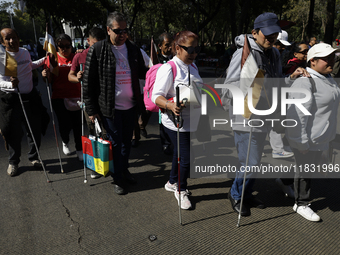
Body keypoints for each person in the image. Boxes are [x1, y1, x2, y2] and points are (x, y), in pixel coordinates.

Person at [224, 13, 308, 217]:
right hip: (246, 117)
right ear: (255, 33)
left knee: (255, 161)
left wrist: (290, 77)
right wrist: (250, 92)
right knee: (250, 162)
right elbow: (227, 88)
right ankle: (236, 194)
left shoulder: (276, 54)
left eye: (275, 33)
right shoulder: (243, 54)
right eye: (267, 34)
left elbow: (277, 83)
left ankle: (246, 192)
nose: (272, 37)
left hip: (266, 117)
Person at [82, 12, 148, 195]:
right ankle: (117, 177)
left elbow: (142, 72)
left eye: (125, 30)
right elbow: (89, 82)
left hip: (131, 106)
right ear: (108, 29)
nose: (123, 34)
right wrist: (91, 109)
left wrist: (158, 70)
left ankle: (123, 169)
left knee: (127, 142)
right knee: (116, 143)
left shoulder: (133, 49)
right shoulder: (98, 50)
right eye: (118, 31)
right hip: (110, 108)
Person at [286, 43, 340, 221]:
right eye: (326, 58)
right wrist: (300, 141)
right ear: (313, 61)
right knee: (305, 171)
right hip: (307, 137)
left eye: (332, 57)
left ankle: (284, 180)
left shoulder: (327, 77)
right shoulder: (306, 81)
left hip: (320, 135)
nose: (331, 61)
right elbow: (297, 114)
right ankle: (301, 203)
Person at [152, 30, 203, 210]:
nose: (194, 54)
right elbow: (156, 96)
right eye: (189, 49)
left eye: (196, 49)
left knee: (179, 154)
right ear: (177, 48)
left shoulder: (193, 66)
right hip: (175, 122)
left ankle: (172, 181)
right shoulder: (168, 68)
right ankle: (181, 190)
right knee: (187, 159)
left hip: (192, 120)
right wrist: (171, 105)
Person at [0, 27, 47, 176]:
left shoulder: (25, 52)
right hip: (11, 100)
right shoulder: (2, 57)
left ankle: (34, 157)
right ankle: (13, 162)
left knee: (34, 130)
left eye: (14, 37)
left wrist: (45, 60)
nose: (12, 41)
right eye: (7, 38)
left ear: (18, 38)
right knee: (13, 133)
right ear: (2, 41)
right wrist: (10, 85)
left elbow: (30, 65)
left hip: (30, 97)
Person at [68, 27, 107, 179]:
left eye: (100, 44)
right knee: (94, 133)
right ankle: (96, 166)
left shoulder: (108, 54)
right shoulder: (79, 56)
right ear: (88, 42)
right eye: (94, 45)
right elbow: (70, 76)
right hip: (89, 101)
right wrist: (77, 77)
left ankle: (109, 162)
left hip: (107, 100)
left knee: (107, 132)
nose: (97, 48)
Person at [42, 34, 83, 161]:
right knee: (65, 125)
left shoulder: (77, 57)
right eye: (61, 46)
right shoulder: (52, 59)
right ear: (57, 47)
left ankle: (80, 149)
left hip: (76, 96)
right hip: (59, 97)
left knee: (78, 125)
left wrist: (82, 52)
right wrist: (45, 75)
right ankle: (65, 142)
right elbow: (48, 81)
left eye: (67, 46)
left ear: (71, 45)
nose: (64, 49)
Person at [157, 33, 174, 155]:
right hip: (161, 94)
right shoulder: (154, 59)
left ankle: (172, 141)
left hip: (173, 93)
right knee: (162, 119)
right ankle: (165, 143)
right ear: (160, 46)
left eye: (171, 45)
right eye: (167, 45)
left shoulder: (176, 58)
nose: (169, 48)